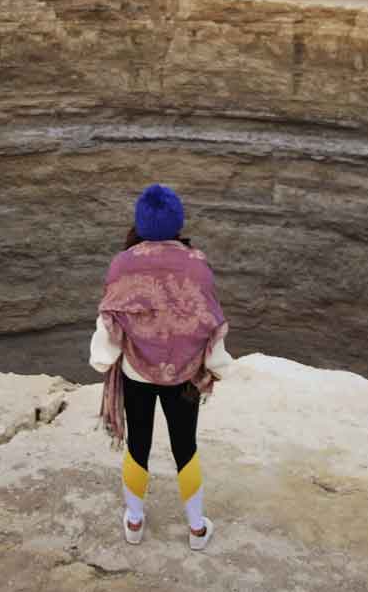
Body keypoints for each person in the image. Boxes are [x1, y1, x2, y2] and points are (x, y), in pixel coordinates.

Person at [90, 183, 233, 551]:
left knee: (138, 444)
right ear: (177, 222)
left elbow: (111, 318)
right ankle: (197, 529)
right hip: (184, 375)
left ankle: (135, 522)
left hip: (135, 373)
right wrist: (216, 365)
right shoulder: (196, 265)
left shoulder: (123, 264)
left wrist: (104, 357)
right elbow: (208, 319)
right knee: (185, 446)